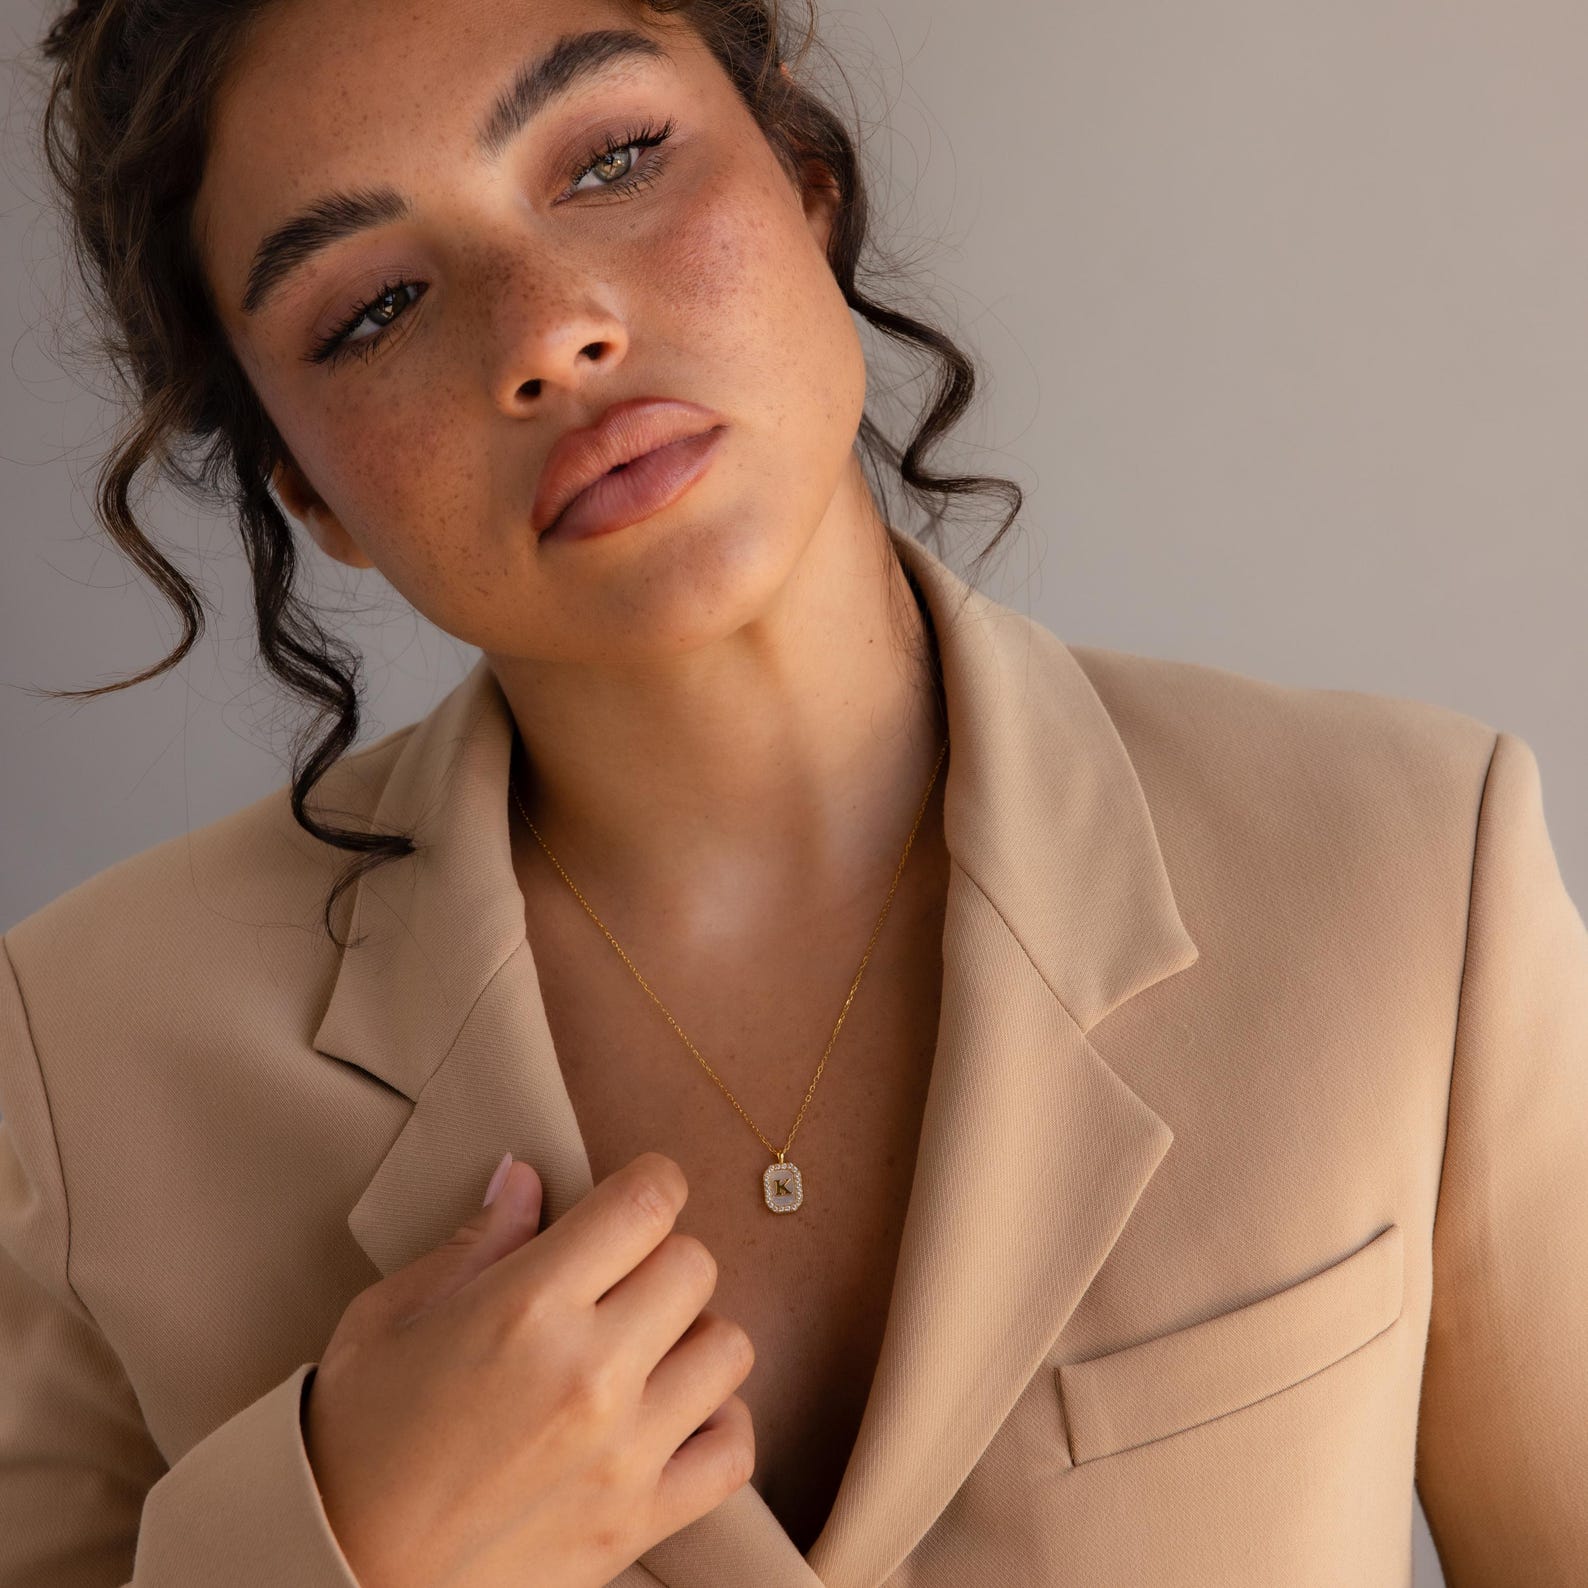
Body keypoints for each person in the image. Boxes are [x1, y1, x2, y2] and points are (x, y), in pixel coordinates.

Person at [2, 1, 1584, 1585]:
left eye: (613, 157)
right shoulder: (78, 1056)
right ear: (305, 489)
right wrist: (345, 1544)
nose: (551, 330)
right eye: (373, 308)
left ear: (804, 176)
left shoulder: (1409, 860)